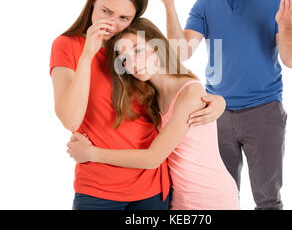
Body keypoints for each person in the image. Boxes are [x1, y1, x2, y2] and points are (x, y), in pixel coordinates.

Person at [148, 0, 292, 210]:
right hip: (215, 112)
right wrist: (169, 6)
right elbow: (181, 52)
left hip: (263, 110)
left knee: (268, 199)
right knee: (221, 196)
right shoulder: (207, 3)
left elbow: (291, 60)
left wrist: (284, 24)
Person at [50, 0, 227, 210]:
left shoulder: (131, 44)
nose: (112, 24)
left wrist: (217, 101)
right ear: (92, 2)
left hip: (152, 187)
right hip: (99, 187)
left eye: (124, 18)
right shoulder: (67, 46)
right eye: (106, 11)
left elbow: (174, 72)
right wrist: (87, 55)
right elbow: (71, 120)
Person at [67, 17, 240, 210]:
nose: (132, 62)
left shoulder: (189, 93)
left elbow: (153, 158)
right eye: (124, 59)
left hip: (211, 196)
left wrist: (91, 153)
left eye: (138, 50)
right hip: (178, 197)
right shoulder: (151, 97)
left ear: (157, 45)